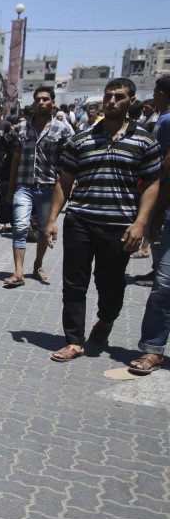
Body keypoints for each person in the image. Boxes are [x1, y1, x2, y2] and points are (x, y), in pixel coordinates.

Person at [47, 78, 162, 362]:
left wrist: (140, 223)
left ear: (131, 101)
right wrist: (52, 220)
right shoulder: (81, 139)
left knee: (110, 284)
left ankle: (106, 320)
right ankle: (74, 340)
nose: (111, 101)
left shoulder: (144, 140)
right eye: (108, 96)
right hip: (80, 220)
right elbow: (64, 181)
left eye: (119, 97)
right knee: (74, 283)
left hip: (119, 226)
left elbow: (152, 184)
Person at [2, 87, 74, 287]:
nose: (41, 102)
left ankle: (38, 264)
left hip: (49, 187)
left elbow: (68, 163)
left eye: (45, 99)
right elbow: (15, 159)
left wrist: (69, 186)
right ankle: (18, 272)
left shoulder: (63, 130)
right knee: (20, 226)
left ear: (53, 103)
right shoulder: (21, 129)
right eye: (38, 99)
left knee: (43, 230)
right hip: (24, 186)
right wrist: (10, 188)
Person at [127, 76, 170, 374]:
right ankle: (153, 348)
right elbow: (161, 172)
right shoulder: (165, 122)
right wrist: (151, 215)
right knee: (164, 284)